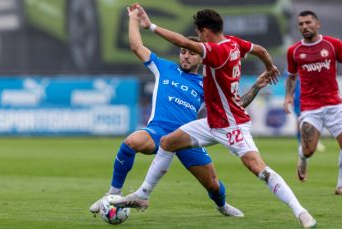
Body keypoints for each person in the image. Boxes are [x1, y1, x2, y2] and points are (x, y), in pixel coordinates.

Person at [111, 5, 317, 228]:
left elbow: (183, 42)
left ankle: (301, 212)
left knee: (259, 169)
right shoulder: (234, 42)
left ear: (206, 31)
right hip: (211, 123)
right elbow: (260, 50)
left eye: (199, 34)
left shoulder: (218, 51)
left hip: (232, 126)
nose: (198, 40)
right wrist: (269, 68)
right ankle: (142, 194)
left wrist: (150, 26)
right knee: (167, 142)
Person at [89, 5, 271, 217]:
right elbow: (136, 46)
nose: (185, 56)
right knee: (131, 142)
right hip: (159, 131)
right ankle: (112, 194)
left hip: (188, 137)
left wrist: (257, 86)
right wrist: (132, 19)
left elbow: (237, 106)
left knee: (213, 185)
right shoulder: (164, 68)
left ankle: (222, 206)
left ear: (202, 58)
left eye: (192, 53)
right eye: (183, 52)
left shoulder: (207, 83)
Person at [284, 10, 342, 195]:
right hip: (310, 108)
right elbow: (292, 77)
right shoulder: (294, 51)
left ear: (317, 24)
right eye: (301, 24)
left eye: (308, 22)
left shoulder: (333, 45)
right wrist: (288, 96)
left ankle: (340, 184)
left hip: (334, 104)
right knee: (309, 150)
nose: (304, 27)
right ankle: (302, 158)